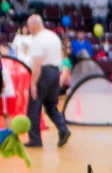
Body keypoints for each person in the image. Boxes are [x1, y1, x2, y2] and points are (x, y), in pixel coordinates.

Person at [23, 14, 70, 148]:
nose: (28, 29)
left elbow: (37, 63)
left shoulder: (38, 39)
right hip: (55, 71)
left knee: (34, 107)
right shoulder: (53, 36)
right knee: (51, 105)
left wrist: (33, 84)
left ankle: (35, 140)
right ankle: (63, 129)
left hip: (43, 73)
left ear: (34, 25)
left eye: (29, 26)